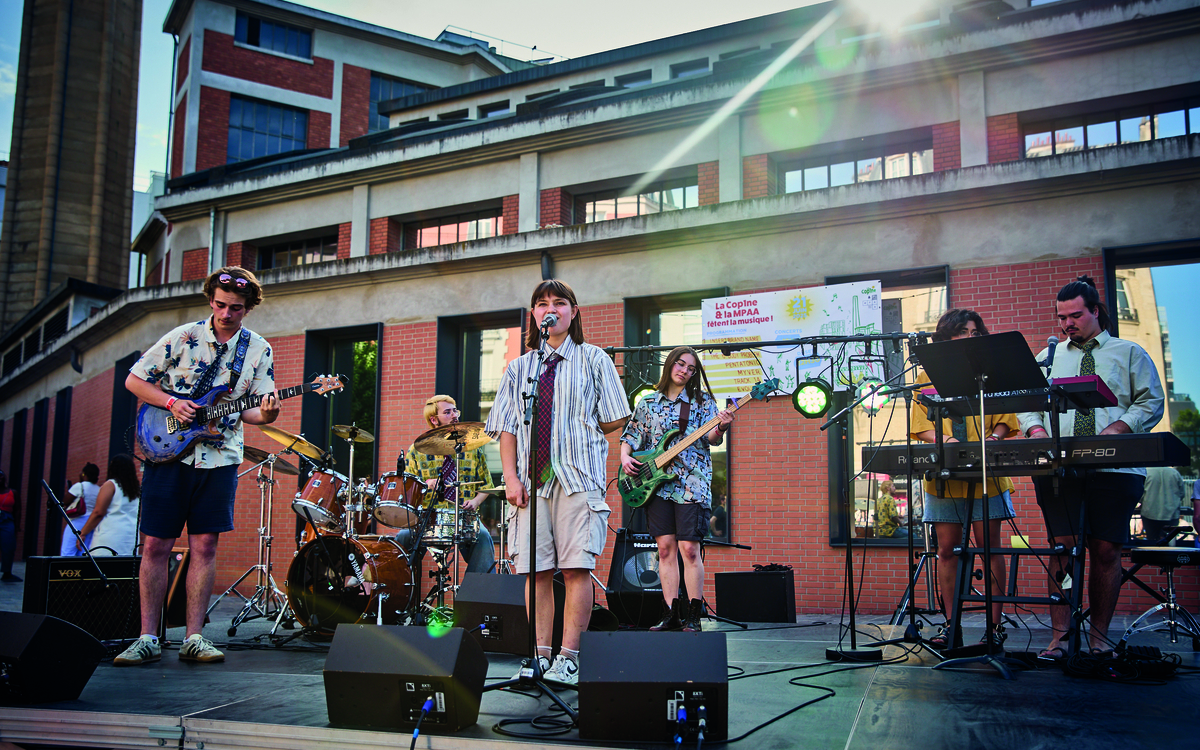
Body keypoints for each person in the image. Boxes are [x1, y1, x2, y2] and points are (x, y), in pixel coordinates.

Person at [114, 267, 280, 666]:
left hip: (220, 458)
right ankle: (147, 637)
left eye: (236, 308)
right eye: (221, 305)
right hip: (167, 452)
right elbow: (135, 381)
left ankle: (194, 638)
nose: (226, 314)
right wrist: (172, 402)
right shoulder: (183, 336)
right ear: (210, 300)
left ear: (248, 308)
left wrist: (269, 414)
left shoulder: (258, 349)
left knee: (205, 545)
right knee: (156, 544)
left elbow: (253, 411)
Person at [485, 279, 630, 686]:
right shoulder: (520, 368)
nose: (551, 309)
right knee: (535, 572)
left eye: (560, 302)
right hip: (532, 483)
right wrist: (511, 478)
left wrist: (581, 431)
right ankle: (540, 655)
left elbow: (616, 417)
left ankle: (569, 658)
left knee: (575, 569)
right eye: (542, 304)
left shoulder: (594, 359)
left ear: (573, 311)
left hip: (577, 478)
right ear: (534, 314)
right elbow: (507, 429)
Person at [1018, 275, 1164, 659]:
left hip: (1116, 469)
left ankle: (1099, 640)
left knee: (1105, 551)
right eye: (1061, 317)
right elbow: (1027, 402)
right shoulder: (1048, 357)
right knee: (1062, 550)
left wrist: (1119, 427)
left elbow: (1151, 401)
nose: (1067, 323)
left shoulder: (1129, 353)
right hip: (1060, 468)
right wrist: (1035, 429)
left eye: (1075, 315)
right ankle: (1060, 638)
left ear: (1095, 311)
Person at [911, 309, 1019, 649]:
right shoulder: (926, 375)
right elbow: (920, 425)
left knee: (990, 548)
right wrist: (946, 440)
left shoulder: (990, 371)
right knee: (947, 550)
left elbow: (1005, 417)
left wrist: (995, 438)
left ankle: (994, 628)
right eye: (962, 332)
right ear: (946, 337)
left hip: (987, 473)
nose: (969, 338)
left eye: (974, 332)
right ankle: (951, 626)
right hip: (945, 474)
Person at [619, 346, 732, 631]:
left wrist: (721, 427)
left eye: (691, 368)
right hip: (657, 485)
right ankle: (670, 615)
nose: (684, 371)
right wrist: (625, 457)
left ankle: (693, 616)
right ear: (670, 364)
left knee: (690, 549)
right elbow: (632, 435)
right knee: (665, 549)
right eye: (681, 364)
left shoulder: (702, 402)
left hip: (692, 484)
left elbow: (712, 437)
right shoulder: (648, 402)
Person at [399, 395, 496, 574]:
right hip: (427, 517)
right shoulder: (417, 450)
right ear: (434, 419)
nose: (454, 415)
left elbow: (487, 485)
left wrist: (475, 502)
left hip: (464, 517)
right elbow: (407, 488)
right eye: (447, 412)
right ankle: (399, 585)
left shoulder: (472, 448)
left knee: (483, 537)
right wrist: (426, 484)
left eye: (455, 410)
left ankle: (478, 590)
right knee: (402, 538)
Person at [76, 454, 142, 557]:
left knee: (104, 564)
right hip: (130, 537)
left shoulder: (110, 485)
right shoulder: (137, 489)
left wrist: (83, 532)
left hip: (110, 535)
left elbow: (98, 512)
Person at [61, 463, 100, 556]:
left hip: (78, 520)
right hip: (91, 522)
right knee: (83, 552)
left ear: (84, 474)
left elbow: (64, 501)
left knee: (68, 551)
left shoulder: (80, 486)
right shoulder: (99, 489)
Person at [0, 469, 18, 582]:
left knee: (8, 546)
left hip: (7, 520)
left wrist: (17, 526)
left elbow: (17, 510)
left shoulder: (13, 492)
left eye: (1, 475)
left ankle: (7, 573)